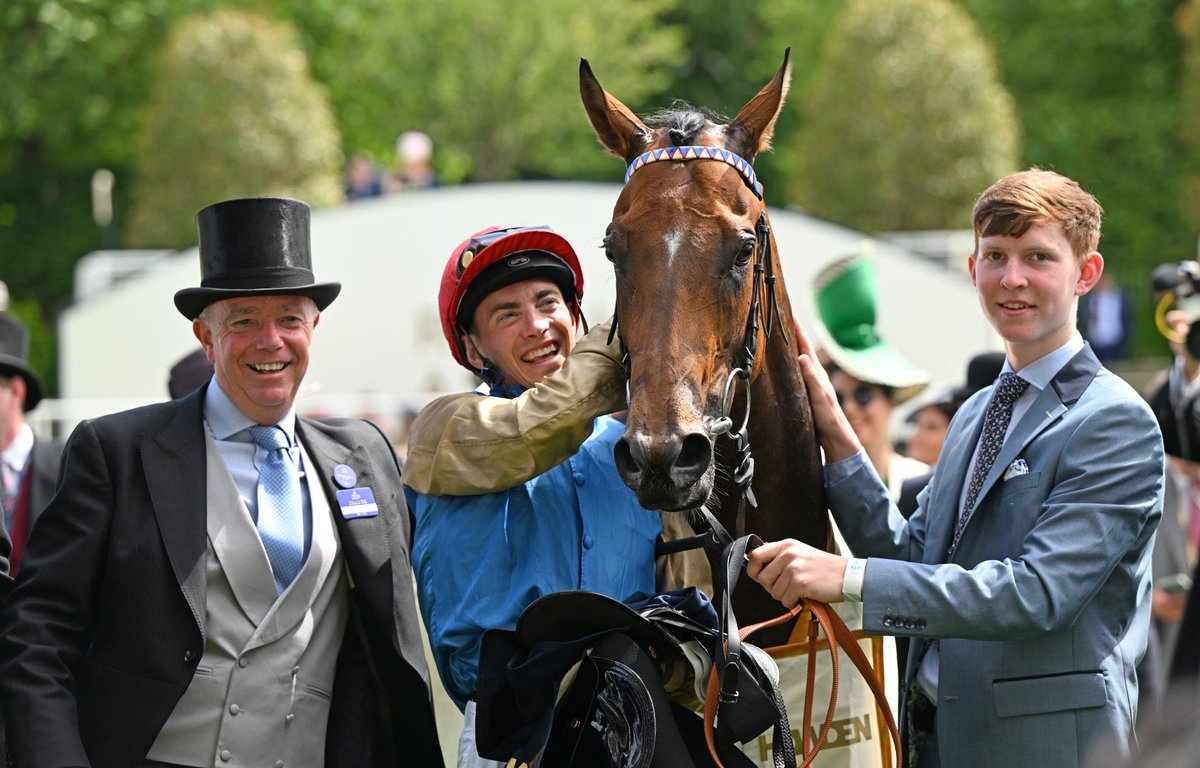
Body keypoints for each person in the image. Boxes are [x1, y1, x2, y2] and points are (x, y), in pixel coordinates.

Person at [0, 197, 443, 768]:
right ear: (205, 338)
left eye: (289, 319)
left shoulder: (364, 455)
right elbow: (37, 636)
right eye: (244, 322)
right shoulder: (116, 453)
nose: (271, 341)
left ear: (314, 327)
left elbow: (394, 640)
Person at [748, 169, 1164, 767]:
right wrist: (835, 431)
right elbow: (912, 555)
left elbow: (1036, 594)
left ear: (1087, 274)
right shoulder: (974, 413)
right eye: (995, 255)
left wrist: (847, 578)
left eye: (1038, 257)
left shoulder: (1114, 420)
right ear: (972, 270)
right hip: (937, 742)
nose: (1012, 278)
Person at [403, 225, 694, 768]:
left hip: (636, 725)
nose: (537, 326)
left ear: (574, 317)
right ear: (473, 346)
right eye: (507, 314)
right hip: (513, 739)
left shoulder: (631, 451)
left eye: (548, 302)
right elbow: (534, 427)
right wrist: (629, 331)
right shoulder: (443, 429)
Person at [811, 248, 932, 502]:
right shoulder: (818, 493)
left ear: (891, 401)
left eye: (863, 395)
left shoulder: (922, 483)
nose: (851, 408)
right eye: (839, 399)